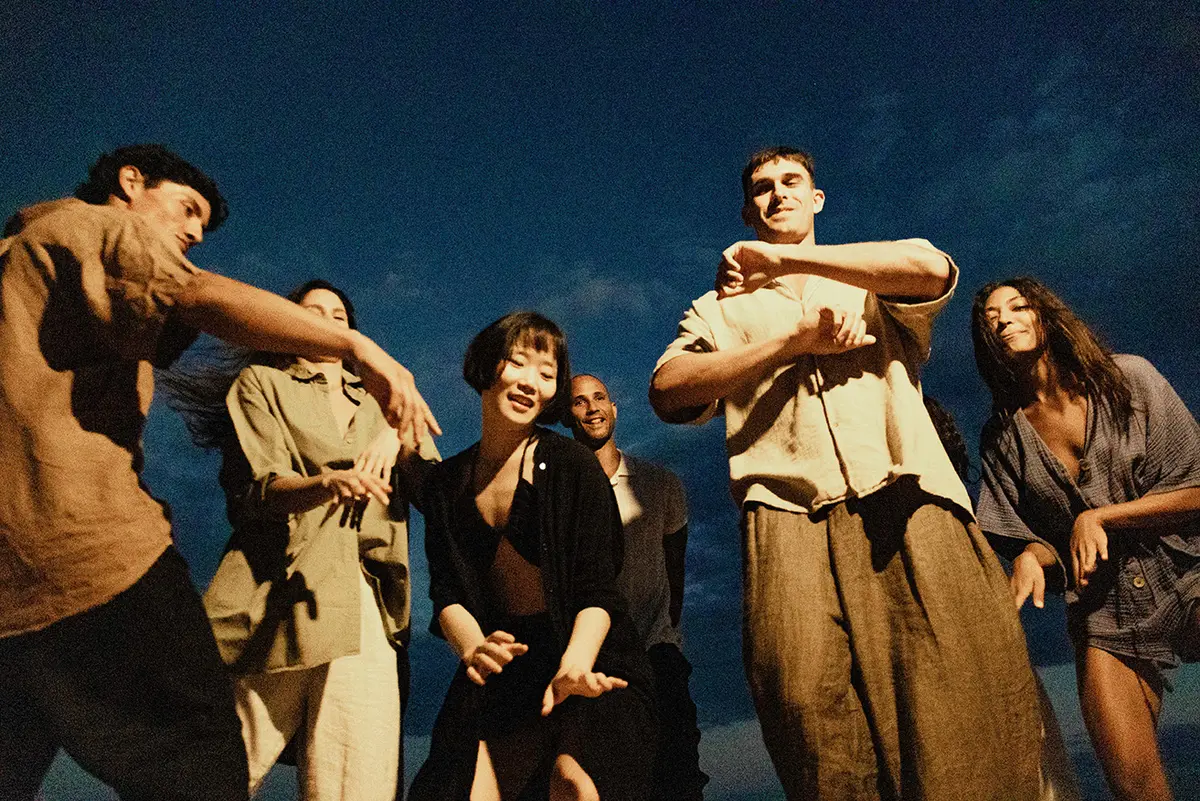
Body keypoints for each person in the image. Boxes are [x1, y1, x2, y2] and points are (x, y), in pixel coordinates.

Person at [0, 144, 438, 800]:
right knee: (204, 756)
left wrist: (389, 428)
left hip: (19, 587)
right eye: (188, 208)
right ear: (131, 182)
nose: (196, 232)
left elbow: (428, 472)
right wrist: (359, 346)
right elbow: (192, 292)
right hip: (94, 558)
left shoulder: (22, 259)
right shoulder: (94, 226)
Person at [649, 145, 1041, 800]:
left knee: (958, 706)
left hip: (912, 500)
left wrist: (788, 259)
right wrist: (790, 342)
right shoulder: (716, 310)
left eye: (791, 181)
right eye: (763, 187)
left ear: (816, 198)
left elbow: (932, 266)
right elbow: (669, 388)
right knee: (811, 715)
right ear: (748, 209)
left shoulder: (864, 276)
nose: (778, 194)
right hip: (787, 521)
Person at [197, 279, 438, 799]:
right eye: (312, 312)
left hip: (364, 603)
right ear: (285, 325)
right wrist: (326, 483)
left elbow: (435, 492)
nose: (328, 321)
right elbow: (261, 490)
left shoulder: (383, 402)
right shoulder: (261, 383)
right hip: (278, 590)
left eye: (339, 316)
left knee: (358, 781)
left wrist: (397, 428)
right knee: (223, 767)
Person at [409, 312, 655, 801]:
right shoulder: (446, 484)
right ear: (486, 367)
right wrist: (473, 648)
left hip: (587, 656)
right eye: (518, 363)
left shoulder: (570, 465)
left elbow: (597, 590)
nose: (532, 383)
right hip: (502, 663)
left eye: (548, 374)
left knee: (575, 784)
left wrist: (575, 665)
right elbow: (447, 592)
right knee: (453, 787)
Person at [972, 277, 1200, 801]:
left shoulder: (1130, 380)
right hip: (1105, 610)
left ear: (1046, 317)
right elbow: (1040, 538)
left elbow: (1195, 489)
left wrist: (1101, 517)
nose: (1003, 319)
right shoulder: (1003, 437)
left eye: (1016, 306)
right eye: (990, 318)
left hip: (1187, 572)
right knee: (1133, 785)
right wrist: (1031, 555)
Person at [567, 373, 708, 800]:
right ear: (565, 416)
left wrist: (665, 636)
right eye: (578, 402)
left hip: (656, 655)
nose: (591, 407)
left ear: (614, 408)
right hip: (591, 662)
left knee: (678, 779)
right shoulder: (559, 494)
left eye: (599, 398)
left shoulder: (660, 484)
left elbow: (675, 570)